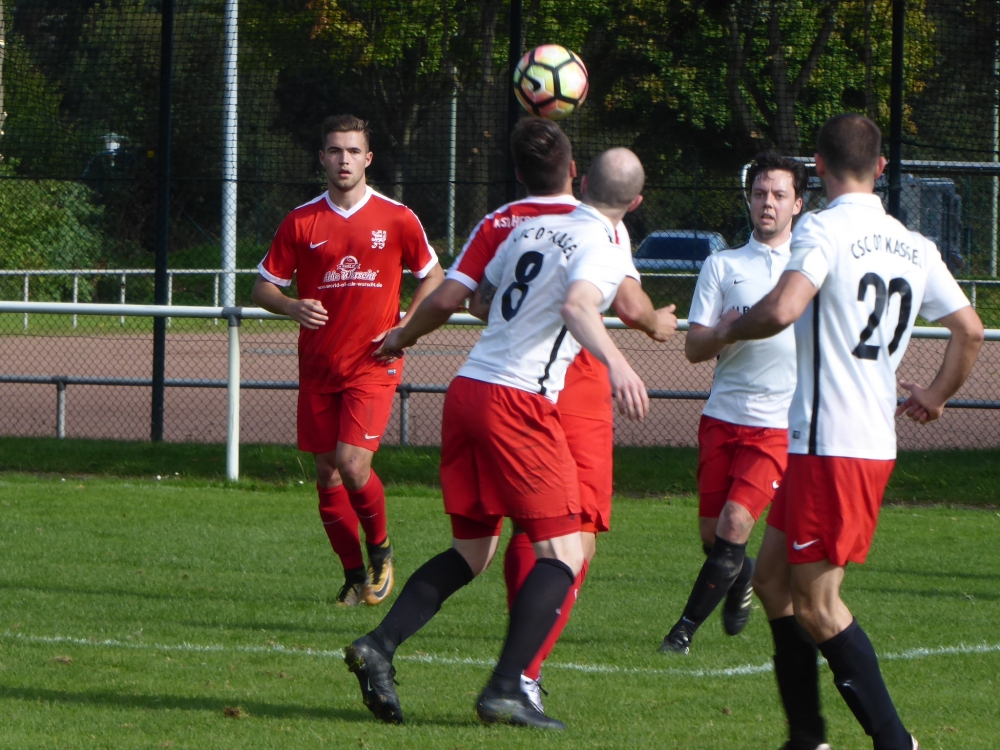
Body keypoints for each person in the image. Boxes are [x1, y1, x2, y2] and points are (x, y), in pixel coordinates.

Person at [344, 148, 650, 730]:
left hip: (468, 388)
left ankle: (378, 646)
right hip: (518, 401)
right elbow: (579, 305)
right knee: (565, 554)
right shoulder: (608, 243)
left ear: (585, 181)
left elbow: (480, 299)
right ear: (634, 203)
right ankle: (508, 689)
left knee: (473, 551)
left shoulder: (526, 227)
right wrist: (617, 363)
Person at [713, 113, 983, 750]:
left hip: (831, 446)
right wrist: (936, 396)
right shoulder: (915, 245)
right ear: (881, 167)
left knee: (818, 604)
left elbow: (784, 307)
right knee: (771, 582)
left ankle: (896, 742)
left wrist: (724, 330)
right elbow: (970, 330)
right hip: (848, 444)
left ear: (818, 167)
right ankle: (807, 736)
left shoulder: (822, 228)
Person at [252, 114, 443, 608]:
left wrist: (405, 329)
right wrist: (290, 305)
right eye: (335, 151)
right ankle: (354, 577)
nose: (344, 160)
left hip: (374, 361)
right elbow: (263, 287)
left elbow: (433, 276)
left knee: (353, 464)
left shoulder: (397, 217)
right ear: (322, 158)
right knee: (327, 473)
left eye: (354, 151)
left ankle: (381, 552)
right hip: (319, 365)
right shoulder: (300, 221)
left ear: (368, 159)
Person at [660, 153, 806, 654]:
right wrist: (728, 330)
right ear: (749, 200)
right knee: (713, 537)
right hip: (722, 416)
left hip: (777, 424)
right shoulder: (722, 265)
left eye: (779, 195)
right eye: (760, 193)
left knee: (735, 523)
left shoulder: (809, 270)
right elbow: (694, 348)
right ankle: (740, 577)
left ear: (797, 205)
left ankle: (681, 633)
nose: (768, 203)